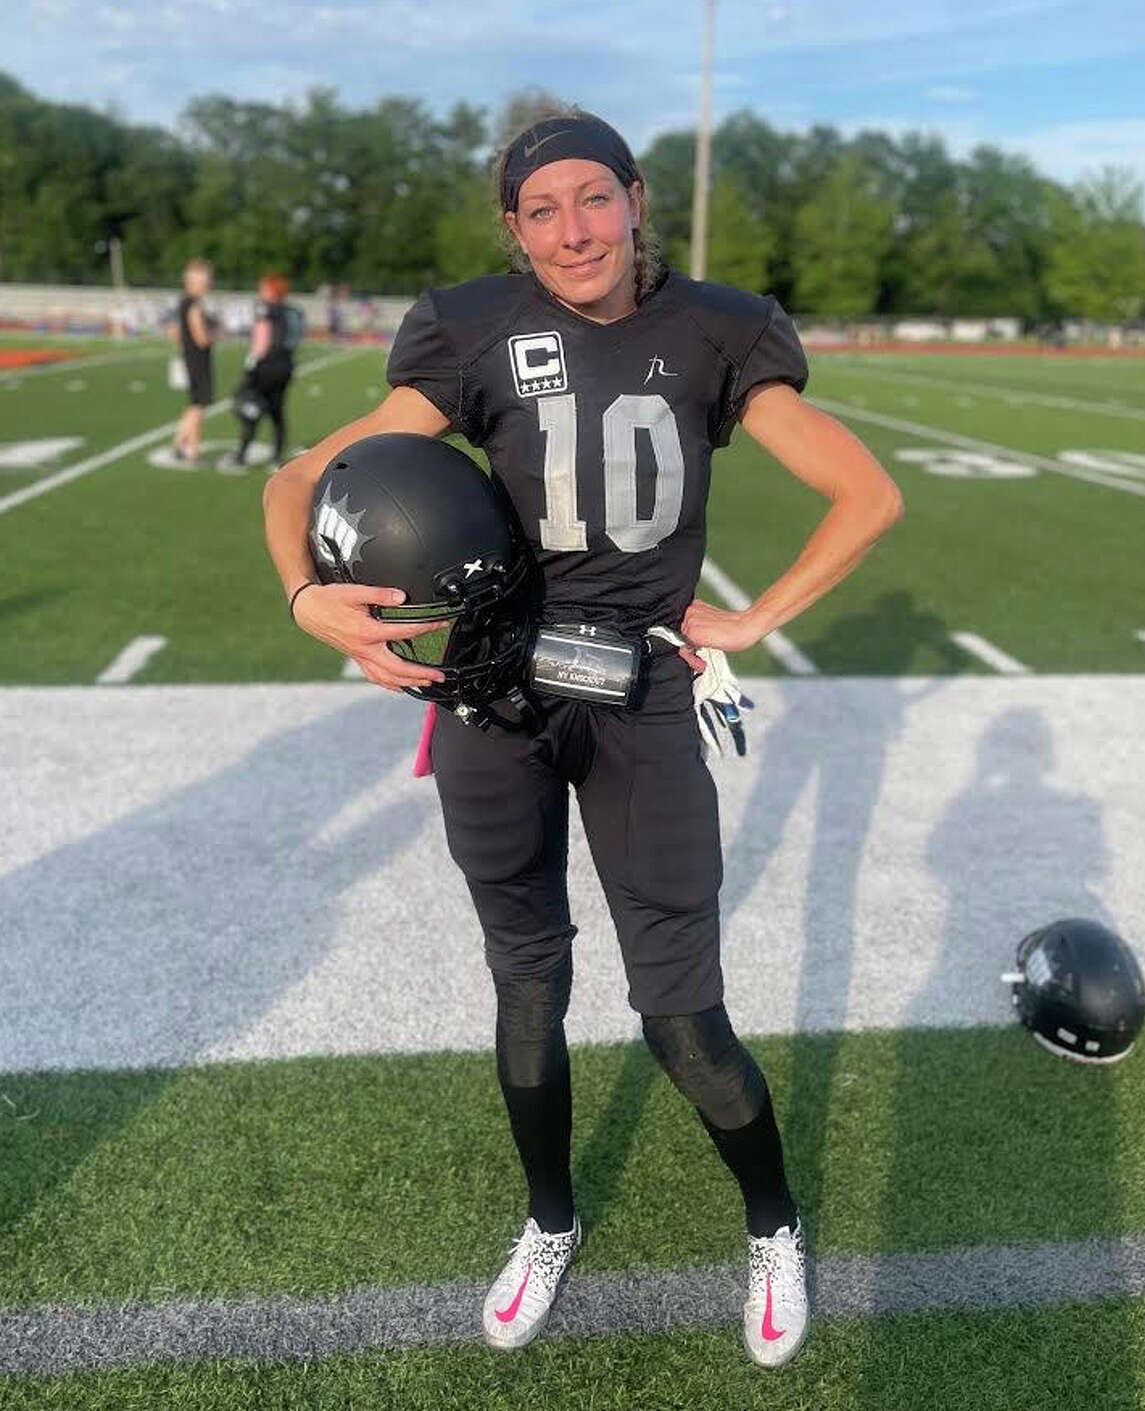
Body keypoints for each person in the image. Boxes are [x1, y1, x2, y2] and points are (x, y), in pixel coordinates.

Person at [263, 109, 903, 1369]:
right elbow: (295, 482)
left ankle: (771, 1223)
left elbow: (869, 492)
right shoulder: (469, 328)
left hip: (644, 691)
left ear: (635, 196)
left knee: (679, 1011)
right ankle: (549, 1216)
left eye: (593, 198)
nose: (574, 229)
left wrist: (760, 612)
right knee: (527, 978)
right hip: (495, 691)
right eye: (542, 208)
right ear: (514, 226)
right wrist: (306, 597)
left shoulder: (719, 326)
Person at [229, 274, 304, 470]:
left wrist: (250, 365)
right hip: (285, 365)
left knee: (250, 408)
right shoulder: (293, 311)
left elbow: (262, 342)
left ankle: (241, 455)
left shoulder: (265, 310)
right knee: (277, 412)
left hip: (266, 366)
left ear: (271, 290)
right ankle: (277, 456)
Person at [170, 258, 217, 464]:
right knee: (199, 407)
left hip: (189, 358)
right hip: (198, 360)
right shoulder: (195, 305)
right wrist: (214, 335)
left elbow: (174, 333)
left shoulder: (183, 301)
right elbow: (201, 338)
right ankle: (193, 452)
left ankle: (179, 444)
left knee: (193, 405)